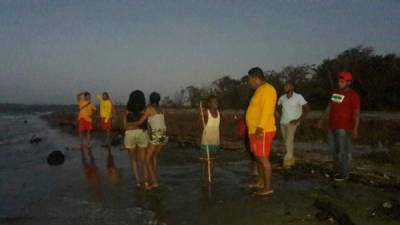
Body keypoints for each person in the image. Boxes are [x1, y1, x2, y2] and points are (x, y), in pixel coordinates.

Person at [318, 71, 360, 181]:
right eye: (339, 81)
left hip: (344, 128)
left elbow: (356, 113)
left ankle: (344, 174)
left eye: (342, 82)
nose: (339, 83)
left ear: (348, 83)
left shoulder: (353, 96)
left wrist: (355, 129)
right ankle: (336, 171)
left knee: (343, 151)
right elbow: (330, 107)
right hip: (332, 126)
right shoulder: (336, 94)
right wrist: (322, 120)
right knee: (334, 151)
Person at [245, 67, 277, 196]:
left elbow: (267, 110)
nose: (249, 83)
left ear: (256, 78)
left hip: (263, 130)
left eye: (250, 80)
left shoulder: (268, 90)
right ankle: (260, 182)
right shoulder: (259, 90)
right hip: (254, 130)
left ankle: (268, 187)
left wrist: (260, 127)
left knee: (263, 158)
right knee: (258, 156)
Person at [132, 92, 168, 190]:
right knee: (153, 157)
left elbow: (140, 122)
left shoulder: (149, 109)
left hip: (156, 134)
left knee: (147, 160)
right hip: (163, 134)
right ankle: (154, 176)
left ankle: (155, 182)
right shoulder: (161, 110)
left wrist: (131, 123)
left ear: (150, 100)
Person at [277, 82, 309, 169]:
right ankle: (292, 160)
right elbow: (278, 107)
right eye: (284, 87)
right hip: (283, 122)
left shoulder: (298, 97)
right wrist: (280, 115)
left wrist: (298, 120)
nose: (285, 88)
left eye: (287, 86)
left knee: (288, 142)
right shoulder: (282, 97)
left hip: (293, 123)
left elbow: (307, 108)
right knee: (287, 143)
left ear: (292, 87)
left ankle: (286, 163)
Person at [123, 90, 149, 188]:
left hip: (129, 134)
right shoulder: (144, 110)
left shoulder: (127, 110)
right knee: (143, 161)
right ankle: (146, 182)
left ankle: (138, 182)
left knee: (133, 160)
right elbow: (146, 124)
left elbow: (125, 126)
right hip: (142, 133)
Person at [200, 95, 221, 183]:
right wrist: (201, 114)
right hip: (206, 141)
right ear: (209, 104)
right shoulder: (206, 113)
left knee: (213, 160)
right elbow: (201, 124)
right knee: (205, 161)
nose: (216, 103)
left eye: (217, 101)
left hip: (215, 141)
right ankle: (203, 178)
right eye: (213, 102)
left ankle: (211, 177)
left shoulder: (219, 113)